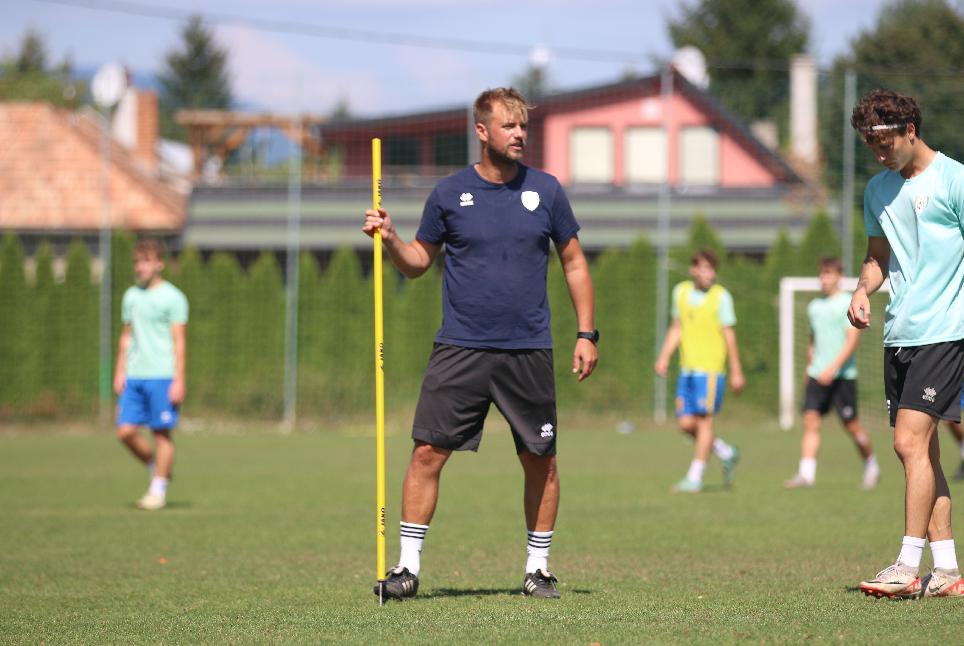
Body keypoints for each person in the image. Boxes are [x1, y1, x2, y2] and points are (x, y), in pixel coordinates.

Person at [362, 87, 597, 600]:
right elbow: (419, 264)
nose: (519, 135)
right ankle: (406, 569)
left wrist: (586, 332)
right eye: (509, 126)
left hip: (528, 350)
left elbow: (574, 262)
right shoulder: (448, 194)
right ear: (482, 131)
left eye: (524, 127)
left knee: (542, 459)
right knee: (426, 453)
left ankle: (538, 569)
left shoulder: (548, 191)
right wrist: (392, 240)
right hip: (460, 348)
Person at [849, 89, 963, 598]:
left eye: (886, 142)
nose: (879, 153)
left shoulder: (955, 180)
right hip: (900, 334)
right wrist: (860, 290)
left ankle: (905, 565)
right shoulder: (876, 189)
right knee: (926, 455)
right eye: (870, 145)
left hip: (947, 331)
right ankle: (946, 571)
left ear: (910, 130)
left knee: (907, 443)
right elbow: (878, 256)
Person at [784, 256, 879, 490]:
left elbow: (851, 341)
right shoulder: (814, 307)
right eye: (821, 274)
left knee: (851, 425)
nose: (824, 279)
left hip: (842, 377)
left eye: (828, 274)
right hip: (817, 375)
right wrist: (810, 368)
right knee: (811, 422)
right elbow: (812, 342)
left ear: (838, 276)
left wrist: (833, 368)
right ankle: (806, 474)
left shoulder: (847, 302)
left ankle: (871, 464)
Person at [654, 249, 744, 493]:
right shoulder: (680, 292)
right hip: (688, 370)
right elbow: (676, 328)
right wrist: (664, 356)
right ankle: (725, 451)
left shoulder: (720, 297)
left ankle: (695, 477)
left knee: (705, 423)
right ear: (693, 269)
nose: (708, 274)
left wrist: (736, 370)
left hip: (711, 371)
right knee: (685, 424)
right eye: (703, 268)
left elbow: (729, 335)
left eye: (711, 269)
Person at [113, 239, 188, 511]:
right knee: (124, 432)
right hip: (135, 376)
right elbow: (126, 336)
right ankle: (157, 468)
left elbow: (179, 341)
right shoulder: (131, 296)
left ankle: (158, 490)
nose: (140, 267)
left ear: (159, 264)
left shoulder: (173, 298)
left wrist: (179, 378)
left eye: (145, 261)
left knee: (161, 435)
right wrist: (120, 370)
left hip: (162, 376)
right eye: (136, 262)